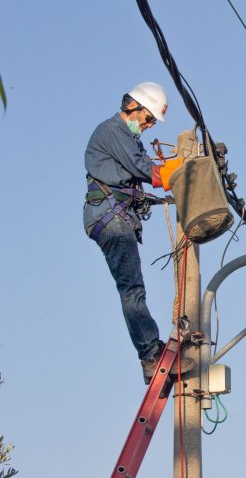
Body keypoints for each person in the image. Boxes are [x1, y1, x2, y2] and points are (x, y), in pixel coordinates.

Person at [83, 82, 184, 384]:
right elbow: (150, 173)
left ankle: (151, 350)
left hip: (116, 216)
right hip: (110, 219)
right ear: (134, 107)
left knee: (133, 289)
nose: (150, 125)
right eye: (149, 118)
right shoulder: (114, 130)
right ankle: (150, 355)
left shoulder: (127, 138)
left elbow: (140, 176)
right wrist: (191, 166)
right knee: (132, 290)